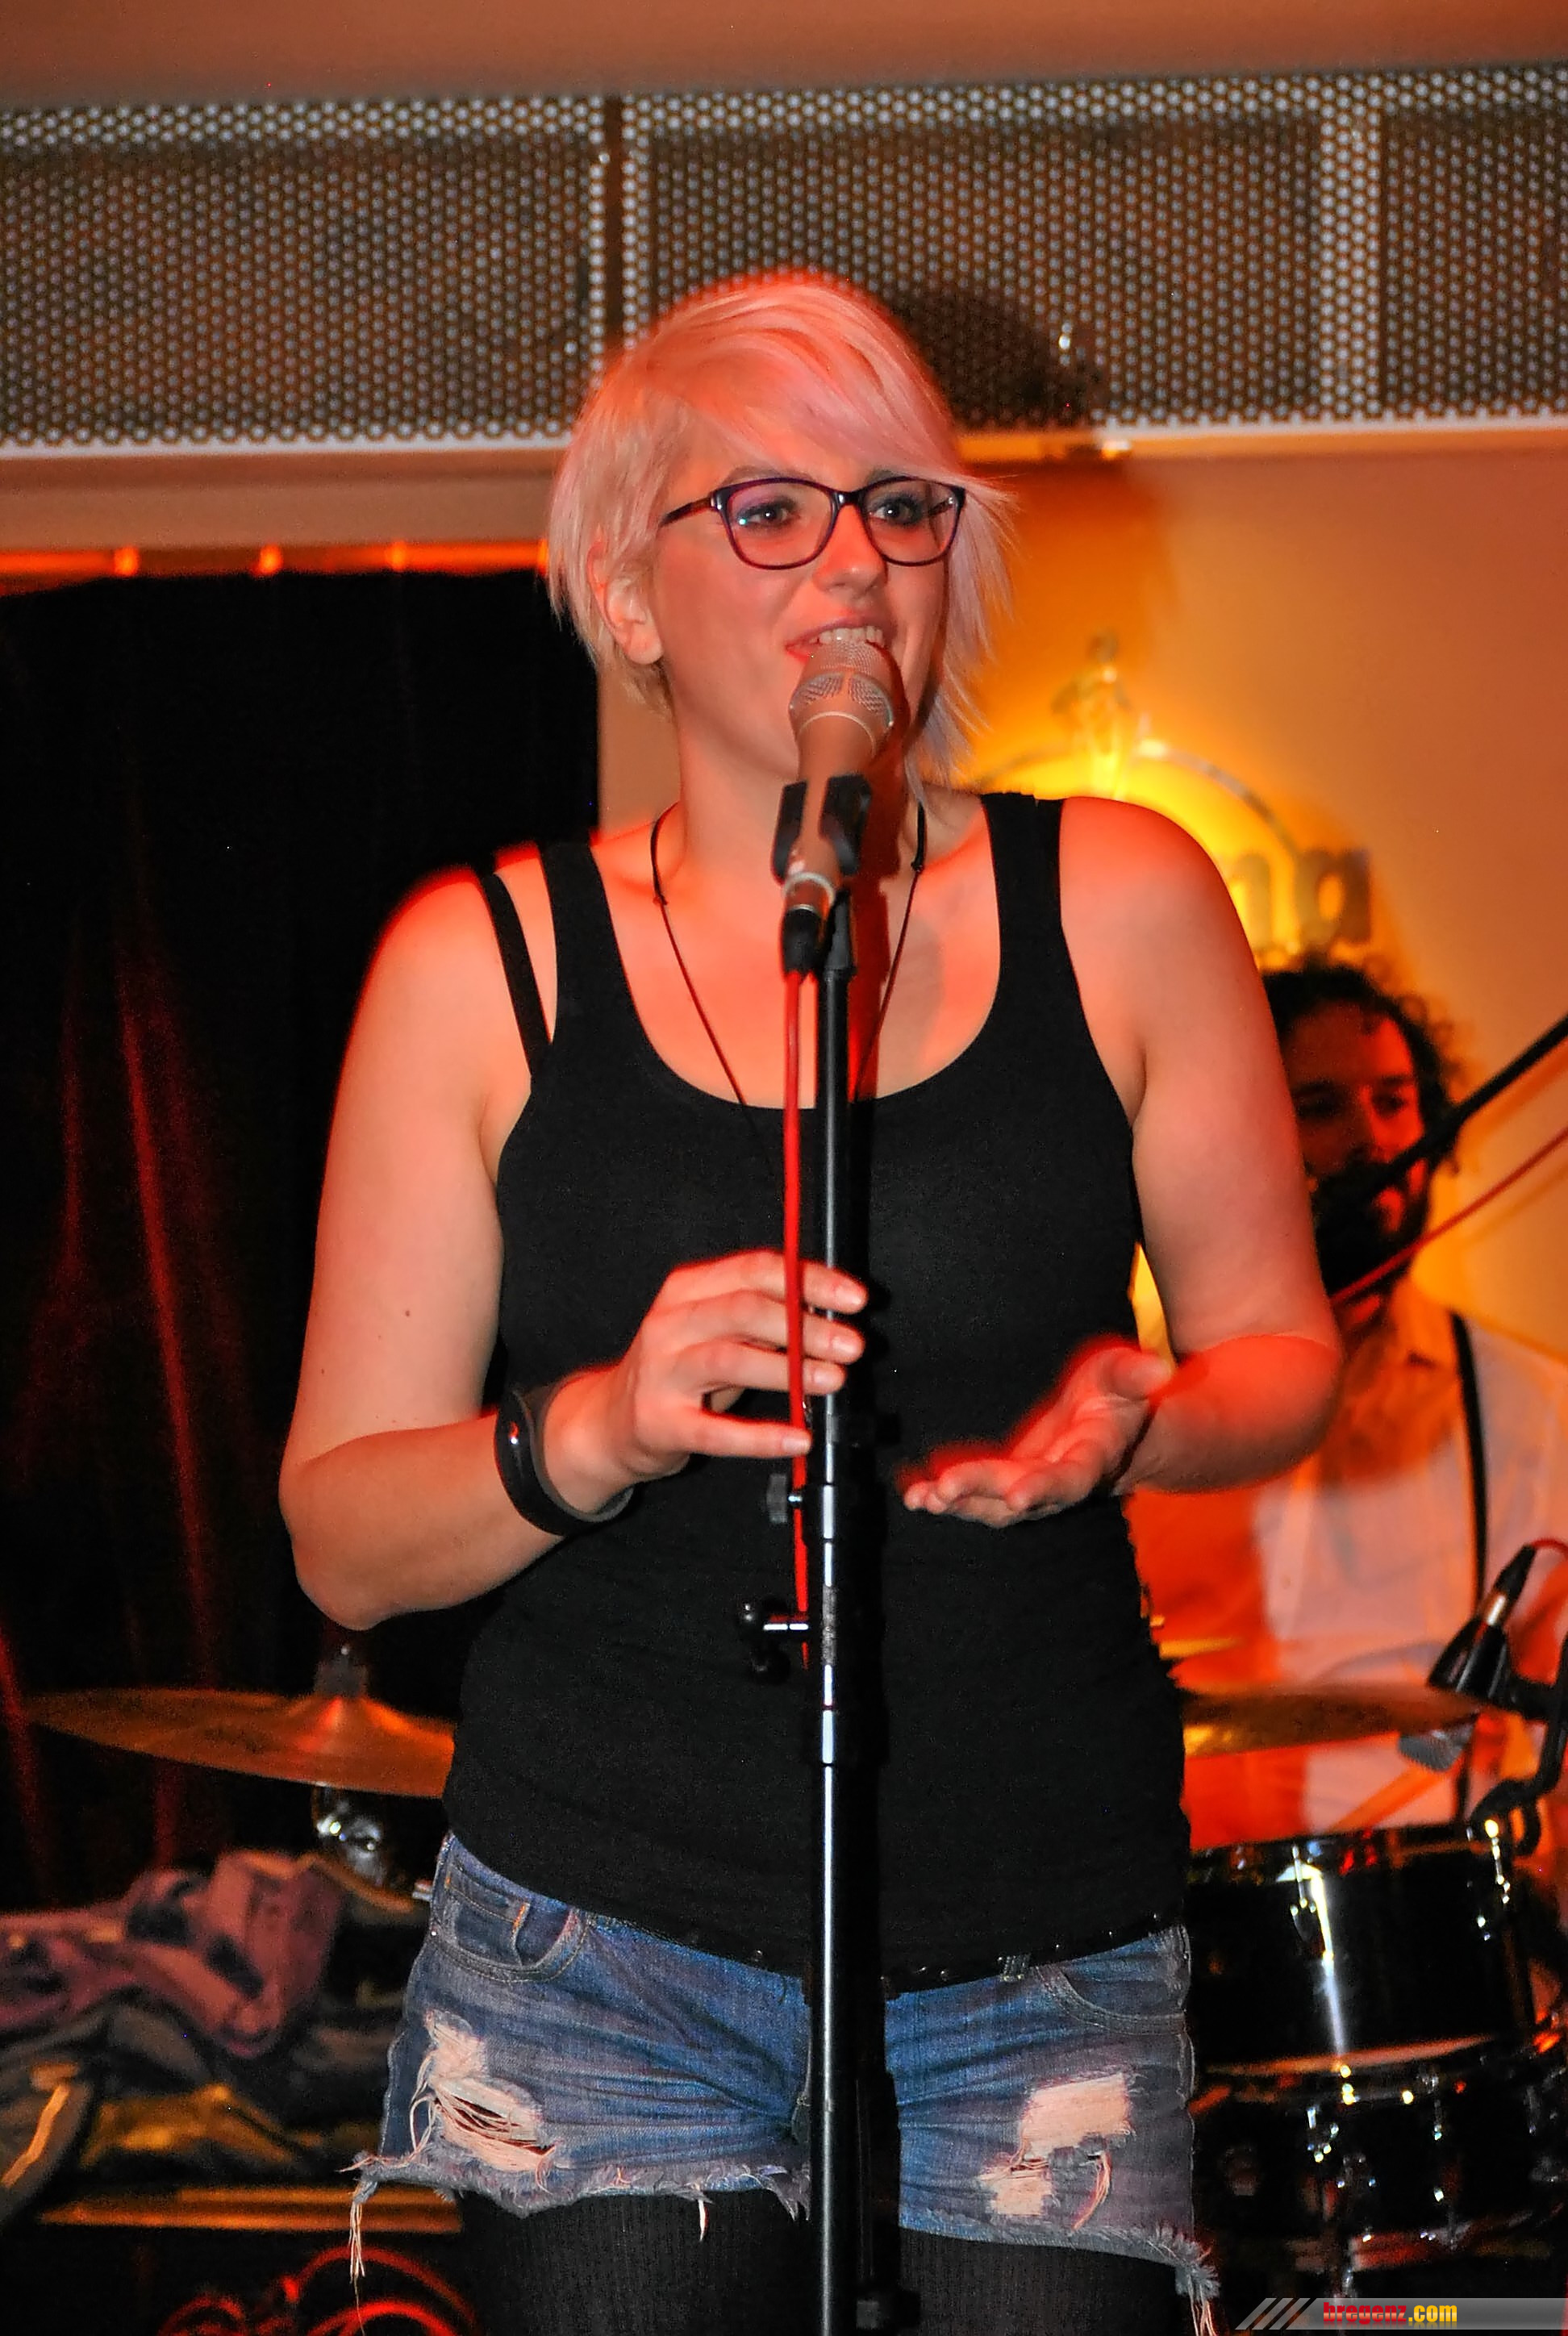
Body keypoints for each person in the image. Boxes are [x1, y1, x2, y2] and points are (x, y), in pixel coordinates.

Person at [279, 274, 1337, 2336]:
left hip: (1033, 1926)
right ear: (629, 588)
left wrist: (1149, 1410)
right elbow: (341, 1528)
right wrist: (592, 1426)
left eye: (900, 507)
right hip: (601, 1941)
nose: (853, 566)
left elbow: (1281, 1358)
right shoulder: (475, 964)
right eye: (768, 511)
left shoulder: (1122, 901)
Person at [1133, 956, 1568, 1854]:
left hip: (1425, 1901)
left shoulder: (1531, 1411)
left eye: (1394, 1102)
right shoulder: (1144, 1399)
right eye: (1323, 1106)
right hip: (1177, 1897)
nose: (1371, 1139)